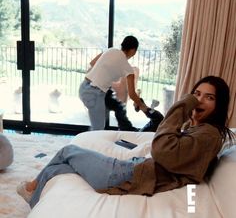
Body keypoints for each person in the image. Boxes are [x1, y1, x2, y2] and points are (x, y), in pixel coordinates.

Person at [17, 76, 235, 208]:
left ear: (220, 104)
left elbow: (162, 149)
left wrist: (183, 105)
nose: (198, 100)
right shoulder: (202, 130)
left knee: (68, 151)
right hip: (134, 168)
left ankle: (32, 188)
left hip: (128, 174)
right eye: (196, 93)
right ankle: (33, 198)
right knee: (63, 166)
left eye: (209, 97)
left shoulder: (209, 135)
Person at [79, 36, 148, 130]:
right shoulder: (128, 68)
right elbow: (132, 95)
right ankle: (88, 142)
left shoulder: (110, 50)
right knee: (97, 130)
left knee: (114, 106)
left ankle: (123, 129)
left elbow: (92, 63)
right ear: (133, 51)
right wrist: (143, 107)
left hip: (84, 87)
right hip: (95, 93)